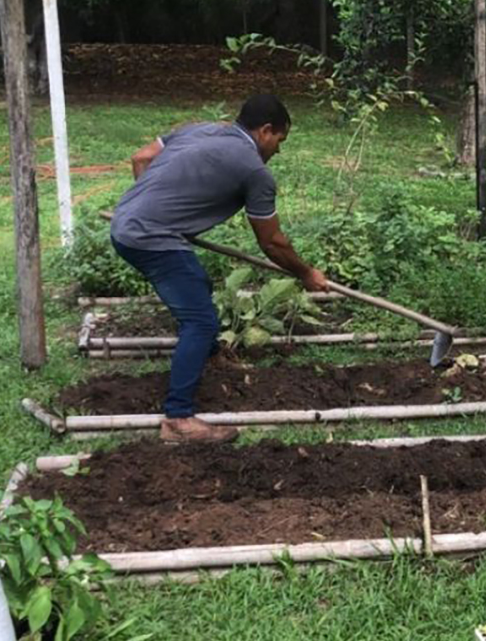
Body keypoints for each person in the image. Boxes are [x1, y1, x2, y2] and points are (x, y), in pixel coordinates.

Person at [110, 94, 329, 443]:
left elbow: (142, 157)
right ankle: (177, 419)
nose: (278, 150)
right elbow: (272, 242)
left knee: (196, 283)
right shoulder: (255, 172)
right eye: (279, 141)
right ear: (265, 131)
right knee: (200, 321)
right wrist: (306, 273)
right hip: (150, 237)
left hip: (125, 224)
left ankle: (209, 356)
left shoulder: (201, 130)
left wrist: (159, 207)